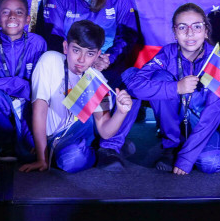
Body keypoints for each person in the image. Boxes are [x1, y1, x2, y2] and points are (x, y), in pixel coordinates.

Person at [42, 0, 141, 165]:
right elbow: (53, 35)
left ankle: (110, 146)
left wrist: (108, 58)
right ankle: (84, 138)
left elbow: (129, 33)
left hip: (106, 65)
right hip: (72, 68)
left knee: (135, 79)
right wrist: (77, 62)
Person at [19, 19, 134, 174]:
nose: (81, 59)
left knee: (71, 161)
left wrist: (121, 112)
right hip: (52, 134)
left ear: (98, 55)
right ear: (66, 47)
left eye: (90, 54)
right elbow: (39, 111)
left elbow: (105, 130)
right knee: (60, 158)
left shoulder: (96, 78)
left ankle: (102, 151)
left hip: (77, 131)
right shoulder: (50, 60)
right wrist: (42, 159)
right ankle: (86, 149)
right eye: (76, 50)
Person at [126, 4, 220, 174]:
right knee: (158, 78)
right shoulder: (168, 53)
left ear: (206, 31)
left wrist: (186, 159)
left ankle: (187, 148)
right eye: (182, 27)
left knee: (212, 163)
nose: (189, 33)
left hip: (202, 122)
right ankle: (171, 144)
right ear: (174, 33)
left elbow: (213, 111)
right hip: (174, 118)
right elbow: (135, 86)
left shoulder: (216, 59)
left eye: (197, 26)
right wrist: (176, 87)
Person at [0, 0, 46, 163]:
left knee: (31, 152)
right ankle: (5, 143)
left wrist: (24, 89)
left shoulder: (37, 43)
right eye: (6, 12)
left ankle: (19, 140)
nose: (12, 16)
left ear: (28, 19)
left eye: (19, 12)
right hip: (2, 103)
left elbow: (43, 84)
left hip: (28, 105)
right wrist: (16, 83)